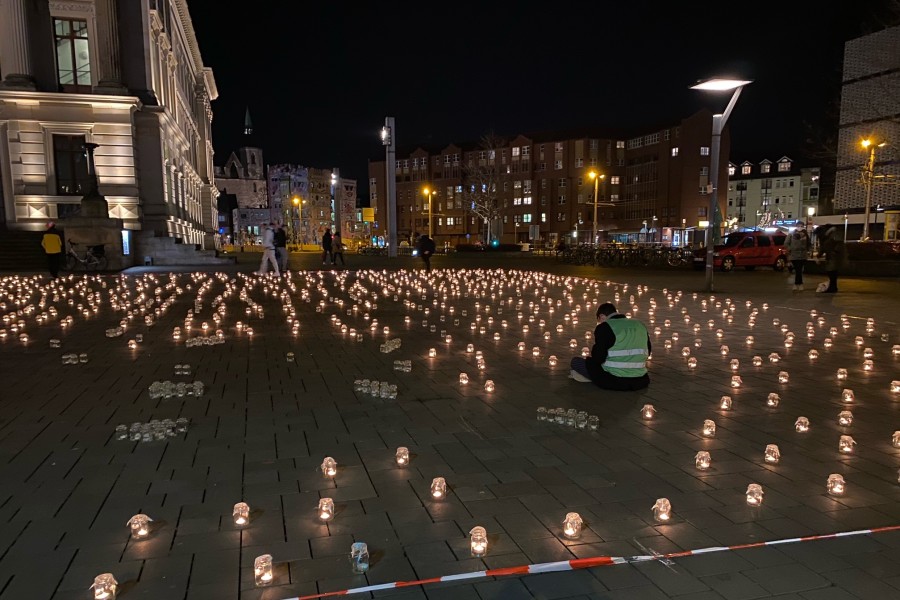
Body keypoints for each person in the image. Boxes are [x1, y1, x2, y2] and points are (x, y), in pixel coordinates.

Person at [570, 302, 651, 391]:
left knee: (576, 362)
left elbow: (598, 358)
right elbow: (648, 350)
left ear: (602, 317)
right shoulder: (639, 324)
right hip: (640, 379)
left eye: (599, 321)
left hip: (613, 379)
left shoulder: (605, 327)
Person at [817, 224, 847, 293]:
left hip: (833, 257)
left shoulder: (832, 235)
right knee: (832, 273)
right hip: (833, 256)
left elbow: (826, 246)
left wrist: (834, 252)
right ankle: (833, 287)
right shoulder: (831, 235)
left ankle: (832, 288)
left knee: (831, 272)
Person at [786, 226, 811, 291]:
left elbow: (808, 244)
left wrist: (807, 250)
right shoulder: (791, 234)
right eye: (799, 226)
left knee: (798, 270)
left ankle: (797, 284)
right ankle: (799, 284)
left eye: (801, 226)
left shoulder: (805, 235)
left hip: (802, 255)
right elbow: (786, 243)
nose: (800, 227)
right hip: (794, 255)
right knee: (798, 270)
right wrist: (791, 249)